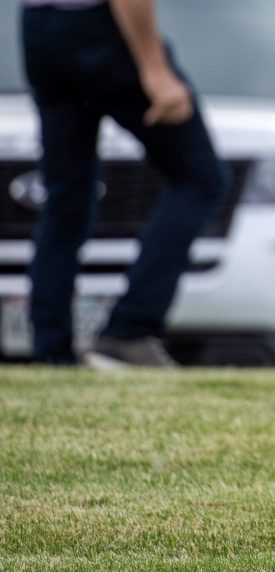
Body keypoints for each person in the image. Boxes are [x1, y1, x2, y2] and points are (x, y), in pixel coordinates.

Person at [21, 0, 228, 368]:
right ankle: (130, 330)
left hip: (38, 25)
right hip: (101, 24)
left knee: (66, 200)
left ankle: (51, 351)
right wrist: (155, 69)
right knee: (200, 178)